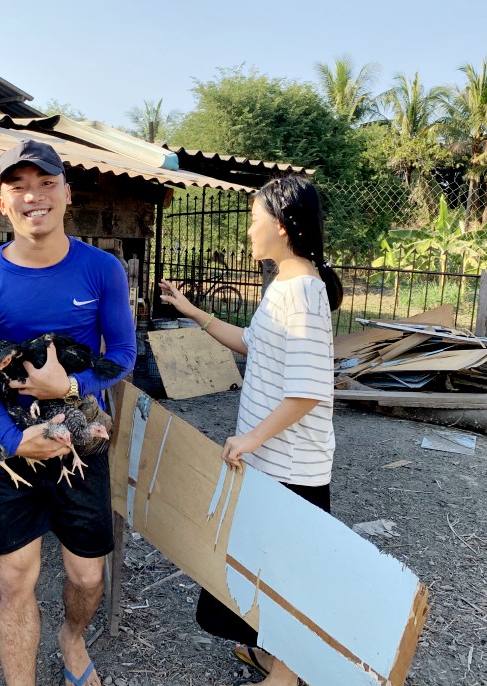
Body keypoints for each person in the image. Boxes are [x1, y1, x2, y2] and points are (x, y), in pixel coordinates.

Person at [0, 138, 136, 686]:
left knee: (86, 575)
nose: (34, 196)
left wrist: (69, 385)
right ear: (1, 202)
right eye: (19, 186)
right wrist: (11, 437)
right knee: (14, 580)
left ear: (66, 193)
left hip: (81, 436)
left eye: (46, 183)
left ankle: (72, 637)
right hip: (14, 446)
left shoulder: (101, 269)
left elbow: (123, 355)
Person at [158, 175, 342, 686]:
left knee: (286, 579)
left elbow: (308, 390)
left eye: (254, 220)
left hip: (290, 469)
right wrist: (192, 311)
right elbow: (251, 343)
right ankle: (273, 659)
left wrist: (251, 438)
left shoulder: (302, 291)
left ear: (282, 228)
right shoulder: (284, 283)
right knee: (259, 570)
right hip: (270, 464)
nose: (248, 231)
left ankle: (285, 677)